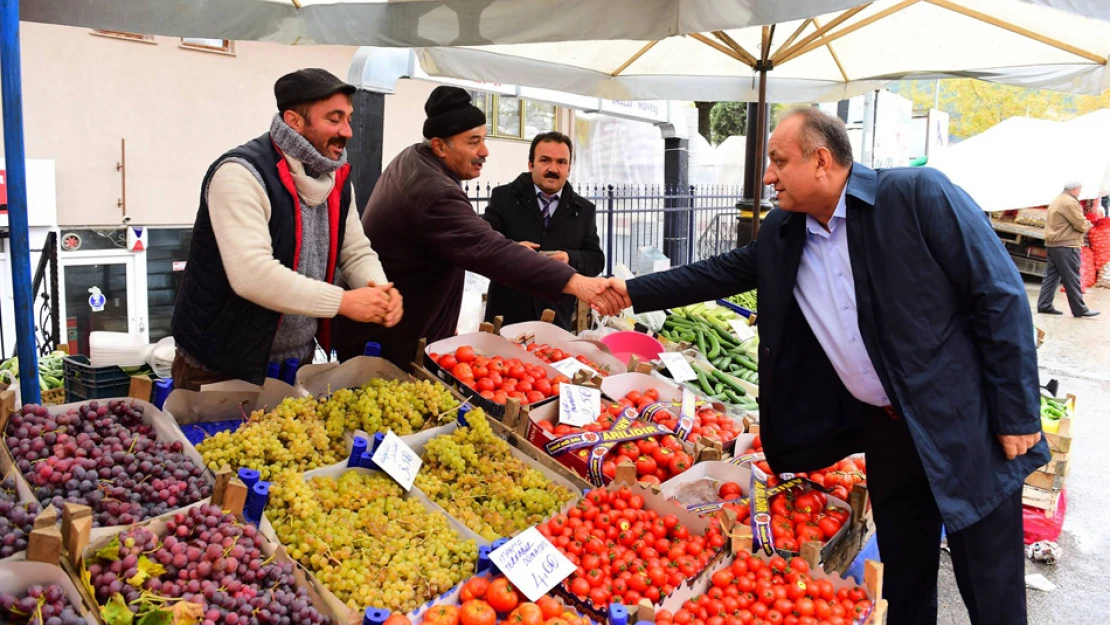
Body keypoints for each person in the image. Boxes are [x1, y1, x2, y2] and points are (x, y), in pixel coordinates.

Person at [595, 107, 1049, 625]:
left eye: (778, 161)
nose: (767, 176)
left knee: (991, 587)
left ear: (822, 161)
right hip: (887, 431)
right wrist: (628, 290)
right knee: (905, 579)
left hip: (964, 424)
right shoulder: (785, 232)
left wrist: (1017, 413)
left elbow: (1000, 296)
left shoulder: (918, 196)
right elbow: (716, 273)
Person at [333, 86, 609, 367]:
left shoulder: (414, 157)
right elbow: (487, 247)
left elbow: (470, 239)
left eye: (484, 139)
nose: (485, 151)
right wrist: (573, 281)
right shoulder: (434, 190)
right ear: (439, 145)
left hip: (391, 329)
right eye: (474, 141)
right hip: (387, 342)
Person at [171, 68, 401, 391]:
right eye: (334, 119)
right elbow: (253, 274)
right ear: (294, 121)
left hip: (294, 365)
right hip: (219, 369)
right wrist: (343, 302)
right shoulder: (240, 174)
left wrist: (379, 289)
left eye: (349, 118)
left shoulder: (336, 177)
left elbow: (355, 251)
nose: (347, 131)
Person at [481, 132, 604, 330]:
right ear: (531, 164)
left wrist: (570, 259)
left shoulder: (584, 210)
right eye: (545, 160)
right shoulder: (503, 198)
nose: (553, 169)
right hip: (507, 314)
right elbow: (483, 248)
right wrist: (513, 251)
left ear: (569, 168)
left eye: (561, 162)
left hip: (555, 317)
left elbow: (596, 260)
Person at [1037, 181, 1099, 317]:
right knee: (1072, 278)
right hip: (1066, 245)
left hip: (1054, 244)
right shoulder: (1069, 202)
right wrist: (1089, 224)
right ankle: (1079, 309)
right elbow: (1081, 224)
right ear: (1076, 189)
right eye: (1080, 190)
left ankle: (1044, 305)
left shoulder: (1058, 199)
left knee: (1051, 276)